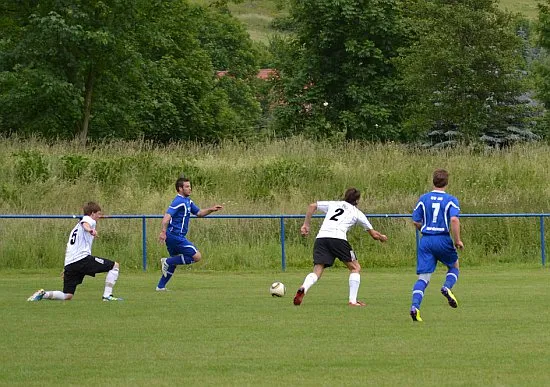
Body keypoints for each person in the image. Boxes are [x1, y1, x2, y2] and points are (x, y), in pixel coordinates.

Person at [293, 188, 388, 307]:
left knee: (317, 269)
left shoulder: (334, 204)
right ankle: (353, 301)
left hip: (321, 238)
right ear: (357, 201)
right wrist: (382, 237)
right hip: (338, 239)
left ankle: (304, 287)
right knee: (355, 267)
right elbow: (374, 235)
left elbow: (312, 206)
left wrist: (306, 224)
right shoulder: (357, 212)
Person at [27, 202, 123, 302]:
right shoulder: (88, 220)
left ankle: (44, 294)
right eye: (98, 213)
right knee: (114, 266)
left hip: (70, 263)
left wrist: (67, 267)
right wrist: (90, 230)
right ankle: (107, 296)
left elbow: (69, 247)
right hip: (82, 260)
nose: (100, 216)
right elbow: (85, 223)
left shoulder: (75, 229)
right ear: (92, 213)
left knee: (67, 295)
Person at [410, 169, 464, 322]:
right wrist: (457, 240)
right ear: (446, 183)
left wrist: (426, 230)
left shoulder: (424, 198)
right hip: (442, 238)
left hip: (426, 240)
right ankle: (447, 287)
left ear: (433, 181)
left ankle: (415, 307)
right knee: (454, 266)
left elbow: (416, 221)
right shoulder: (451, 200)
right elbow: (454, 220)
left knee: (424, 278)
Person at [156, 177, 223, 291]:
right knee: (197, 256)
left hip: (175, 236)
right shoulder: (178, 201)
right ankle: (166, 261)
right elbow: (167, 217)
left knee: (176, 260)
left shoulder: (188, 201)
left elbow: (199, 213)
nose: (190, 188)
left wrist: (211, 209)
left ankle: (160, 287)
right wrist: (163, 232)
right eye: (187, 186)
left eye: (189, 186)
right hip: (174, 236)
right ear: (180, 188)